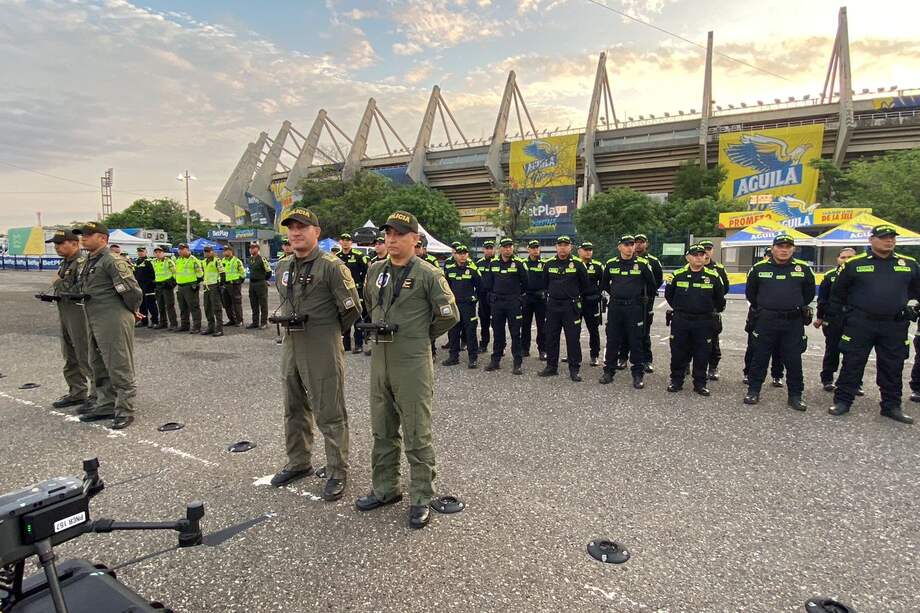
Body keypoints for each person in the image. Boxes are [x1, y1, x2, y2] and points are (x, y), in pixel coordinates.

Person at [357, 210, 459, 529]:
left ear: (415, 239)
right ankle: (386, 489)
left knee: (416, 431)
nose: (391, 239)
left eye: (399, 234)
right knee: (382, 428)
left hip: (412, 361)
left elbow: (448, 314)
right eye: (388, 234)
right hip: (380, 359)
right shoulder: (375, 270)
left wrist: (420, 336)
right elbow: (369, 301)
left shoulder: (429, 273)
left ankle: (421, 496)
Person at [269, 207, 362, 501]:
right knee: (293, 406)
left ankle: (337, 470)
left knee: (329, 409)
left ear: (316, 233)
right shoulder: (283, 266)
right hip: (292, 343)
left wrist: (328, 332)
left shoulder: (332, 266)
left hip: (322, 343)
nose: (296, 232)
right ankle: (299, 462)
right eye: (291, 228)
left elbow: (352, 309)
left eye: (302, 227)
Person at [830, 225, 920, 423]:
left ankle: (891, 406)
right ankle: (843, 401)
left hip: (894, 325)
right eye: (884, 237)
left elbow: (917, 291)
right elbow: (838, 295)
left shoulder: (909, 264)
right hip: (861, 323)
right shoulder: (854, 264)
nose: (889, 241)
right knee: (852, 363)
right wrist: (844, 319)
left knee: (892, 366)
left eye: (892, 238)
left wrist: (913, 308)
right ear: (872, 240)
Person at [73, 222, 142, 430]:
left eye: (88, 235)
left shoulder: (112, 260)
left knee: (118, 364)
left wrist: (132, 310)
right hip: (94, 317)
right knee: (97, 363)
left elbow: (131, 290)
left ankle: (125, 409)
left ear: (103, 238)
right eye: (82, 235)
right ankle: (105, 404)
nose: (83, 238)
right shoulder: (89, 260)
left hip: (113, 316)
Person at [743, 234, 815, 411]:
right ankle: (753, 391)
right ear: (773, 248)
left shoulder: (803, 269)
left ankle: (795, 395)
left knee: (793, 360)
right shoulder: (759, 269)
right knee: (759, 357)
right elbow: (751, 294)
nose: (784, 250)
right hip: (766, 320)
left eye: (788, 247)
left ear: (793, 249)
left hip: (792, 322)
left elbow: (809, 294)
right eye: (780, 246)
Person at [665, 244, 726, 396]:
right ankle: (676, 381)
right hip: (681, 320)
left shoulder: (713, 276)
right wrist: (682, 308)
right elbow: (669, 296)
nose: (699, 257)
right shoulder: (677, 275)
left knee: (702, 353)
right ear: (688, 257)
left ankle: (700, 383)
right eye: (695, 255)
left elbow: (720, 299)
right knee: (678, 352)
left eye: (702, 254)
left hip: (704, 321)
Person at [599, 235, 658, 389]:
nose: (630, 247)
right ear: (619, 247)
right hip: (616, 307)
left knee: (636, 341)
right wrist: (617, 293)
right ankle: (608, 372)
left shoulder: (643, 264)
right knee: (612, 340)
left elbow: (652, 285)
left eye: (632, 244)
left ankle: (638, 374)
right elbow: (604, 284)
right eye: (626, 244)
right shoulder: (611, 264)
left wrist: (638, 298)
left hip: (634, 308)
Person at [44, 229, 95, 410]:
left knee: (84, 352)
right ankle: (77, 391)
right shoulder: (66, 263)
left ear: (74, 244)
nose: (56, 247)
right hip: (65, 308)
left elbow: (81, 288)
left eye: (60, 243)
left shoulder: (82, 262)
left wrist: (57, 282)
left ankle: (98, 395)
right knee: (69, 353)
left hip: (78, 310)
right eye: (55, 244)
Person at [540, 236, 591, 381]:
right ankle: (551, 366)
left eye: (566, 245)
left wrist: (574, 295)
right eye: (560, 245)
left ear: (571, 247)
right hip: (553, 305)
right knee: (551, 337)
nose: (563, 248)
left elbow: (585, 285)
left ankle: (574, 369)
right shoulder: (549, 264)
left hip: (570, 306)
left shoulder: (577, 264)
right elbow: (545, 283)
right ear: (556, 247)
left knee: (573, 339)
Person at [482, 238, 528, 375]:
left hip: (513, 302)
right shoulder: (493, 263)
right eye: (505, 247)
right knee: (498, 333)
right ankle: (495, 361)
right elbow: (488, 284)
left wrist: (519, 299)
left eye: (510, 246)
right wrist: (492, 298)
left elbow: (526, 283)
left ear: (512, 248)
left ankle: (517, 363)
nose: (508, 249)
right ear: (500, 248)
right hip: (498, 303)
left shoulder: (519, 263)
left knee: (515, 334)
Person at [617, 233, 662, 373]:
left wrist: (646, 294)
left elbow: (657, 281)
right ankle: (622, 358)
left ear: (646, 244)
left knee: (643, 332)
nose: (638, 244)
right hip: (629, 302)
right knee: (624, 331)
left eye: (641, 242)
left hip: (645, 302)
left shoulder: (653, 261)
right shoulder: (625, 260)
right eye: (636, 242)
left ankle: (646, 360)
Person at [742, 248, 785, 387]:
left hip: (781, 316)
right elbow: (750, 292)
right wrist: (759, 307)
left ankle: (777, 375)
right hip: (758, 313)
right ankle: (749, 373)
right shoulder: (757, 270)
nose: (769, 258)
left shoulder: (785, 270)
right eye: (767, 255)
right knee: (754, 346)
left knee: (779, 347)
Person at [815, 247, 857, 390]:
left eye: (850, 257)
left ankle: (854, 383)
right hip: (833, 319)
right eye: (843, 257)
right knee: (832, 350)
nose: (846, 260)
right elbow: (822, 299)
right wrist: (820, 317)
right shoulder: (830, 276)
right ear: (837, 259)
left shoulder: (862, 275)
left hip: (855, 320)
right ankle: (827, 379)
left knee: (854, 353)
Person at [443, 245, 480, 368]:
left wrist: (475, 298)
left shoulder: (473, 270)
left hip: (468, 306)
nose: (462, 255)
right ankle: (453, 357)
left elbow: (481, 287)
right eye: (460, 253)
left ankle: (473, 358)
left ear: (467, 255)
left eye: (465, 253)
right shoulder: (450, 270)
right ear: (455, 255)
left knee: (470, 333)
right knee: (453, 332)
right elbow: (445, 288)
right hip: (454, 305)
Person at [699, 240, 730, 380]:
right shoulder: (690, 266)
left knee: (713, 341)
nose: (706, 252)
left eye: (709, 249)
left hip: (711, 311)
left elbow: (725, 289)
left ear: (712, 251)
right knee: (687, 341)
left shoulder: (718, 268)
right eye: (703, 249)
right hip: (692, 310)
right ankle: (687, 365)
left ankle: (713, 367)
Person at [337, 233, 369, 353]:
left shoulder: (359, 255)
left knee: (357, 317)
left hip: (357, 291)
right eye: (343, 240)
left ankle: (359, 344)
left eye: (348, 240)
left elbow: (367, 273)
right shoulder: (337, 257)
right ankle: (346, 345)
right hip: (343, 292)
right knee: (344, 316)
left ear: (351, 242)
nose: (345, 242)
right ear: (340, 242)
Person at [521, 239, 548, 360]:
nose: (535, 250)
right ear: (528, 249)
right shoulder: (523, 264)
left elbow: (548, 281)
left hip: (540, 299)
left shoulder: (544, 264)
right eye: (533, 248)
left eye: (537, 247)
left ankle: (542, 350)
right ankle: (524, 349)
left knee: (541, 325)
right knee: (525, 324)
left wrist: (545, 292)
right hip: (527, 297)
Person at [578, 241, 604, 367]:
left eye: (590, 249)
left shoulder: (598, 266)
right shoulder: (574, 264)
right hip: (576, 302)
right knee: (573, 331)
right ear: (579, 251)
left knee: (593, 330)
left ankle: (594, 355)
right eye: (585, 249)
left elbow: (604, 282)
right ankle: (574, 354)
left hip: (591, 303)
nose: (588, 252)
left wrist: (597, 295)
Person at [173, 243, 203, 334]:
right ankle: (184, 325)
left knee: (194, 307)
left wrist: (195, 284)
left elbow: (200, 274)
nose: (180, 251)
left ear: (187, 249)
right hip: (180, 286)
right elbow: (176, 273)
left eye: (182, 249)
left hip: (190, 286)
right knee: (183, 308)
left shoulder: (194, 260)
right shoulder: (178, 260)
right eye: (179, 249)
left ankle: (197, 326)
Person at [475, 240, 496, 353]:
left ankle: (500, 347)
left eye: (491, 248)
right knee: (484, 322)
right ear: (483, 250)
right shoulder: (478, 263)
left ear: (494, 249)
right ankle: (484, 344)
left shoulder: (498, 262)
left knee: (497, 323)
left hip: (495, 297)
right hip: (483, 297)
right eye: (487, 248)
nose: (489, 250)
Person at [200, 246, 226, 337]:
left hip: (215, 286)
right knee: (207, 308)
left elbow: (222, 273)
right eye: (205, 252)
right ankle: (210, 327)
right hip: (206, 286)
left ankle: (219, 329)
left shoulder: (217, 261)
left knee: (217, 308)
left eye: (208, 251)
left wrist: (221, 285)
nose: (206, 253)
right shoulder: (203, 262)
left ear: (212, 252)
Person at [247, 242, 272, 329]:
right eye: (250, 248)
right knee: (253, 304)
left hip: (260, 283)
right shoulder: (250, 259)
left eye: (253, 248)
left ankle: (264, 323)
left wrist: (264, 279)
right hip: (252, 284)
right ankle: (255, 322)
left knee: (263, 304)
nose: (251, 249)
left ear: (257, 249)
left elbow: (269, 271)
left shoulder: (262, 259)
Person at [151, 245, 178, 330]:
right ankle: (163, 323)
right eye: (156, 252)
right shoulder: (153, 262)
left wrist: (172, 284)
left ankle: (173, 324)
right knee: (160, 305)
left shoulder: (169, 261)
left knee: (169, 306)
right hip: (158, 285)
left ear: (163, 253)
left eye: (160, 252)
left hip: (166, 285)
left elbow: (175, 273)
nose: (158, 254)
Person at [133, 247, 158, 328]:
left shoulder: (149, 262)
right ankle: (144, 321)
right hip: (140, 287)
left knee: (151, 305)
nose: (140, 253)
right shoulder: (137, 262)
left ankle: (155, 321)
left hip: (149, 287)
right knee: (142, 305)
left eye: (142, 251)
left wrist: (152, 284)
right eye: (139, 251)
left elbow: (154, 274)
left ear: (146, 252)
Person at [221, 244, 245, 326]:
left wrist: (238, 282)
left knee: (236, 303)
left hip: (234, 284)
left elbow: (242, 273)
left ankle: (239, 320)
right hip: (225, 285)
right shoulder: (222, 261)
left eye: (227, 250)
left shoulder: (237, 261)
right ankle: (232, 319)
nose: (225, 252)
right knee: (226, 303)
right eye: (224, 251)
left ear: (231, 251)